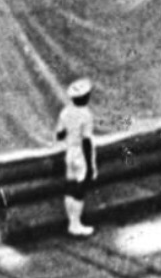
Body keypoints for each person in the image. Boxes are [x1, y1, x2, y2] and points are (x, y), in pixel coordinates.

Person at [55, 77, 99, 238]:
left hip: (70, 152)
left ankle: (71, 222)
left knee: (70, 186)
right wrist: (89, 166)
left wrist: (69, 133)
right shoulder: (86, 115)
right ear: (85, 97)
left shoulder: (65, 112)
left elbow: (60, 134)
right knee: (80, 189)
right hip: (81, 153)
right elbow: (86, 140)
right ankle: (76, 224)